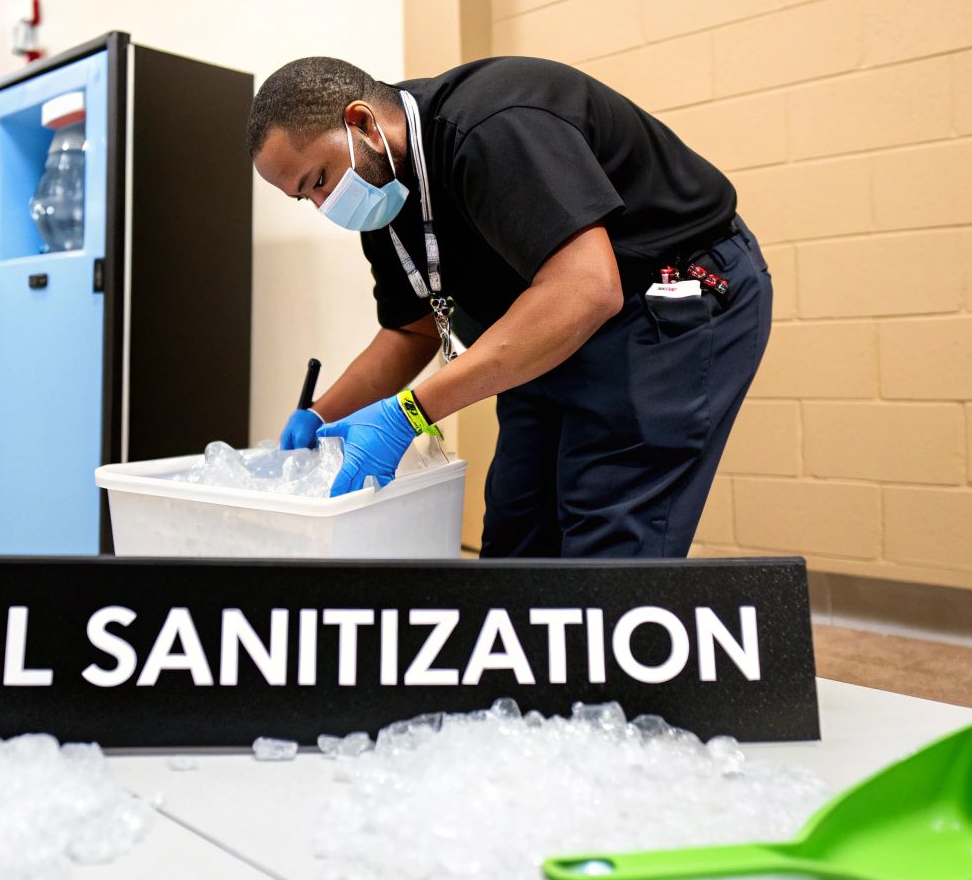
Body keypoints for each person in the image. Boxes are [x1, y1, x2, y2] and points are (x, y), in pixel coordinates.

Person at [248, 56, 772, 559]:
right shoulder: (384, 196)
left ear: (361, 122)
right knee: (516, 534)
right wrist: (322, 415)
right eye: (304, 198)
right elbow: (414, 330)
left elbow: (587, 289)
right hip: (551, 321)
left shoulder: (492, 126)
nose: (325, 206)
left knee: (606, 537)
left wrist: (408, 413)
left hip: (669, 294)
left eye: (319, 180)